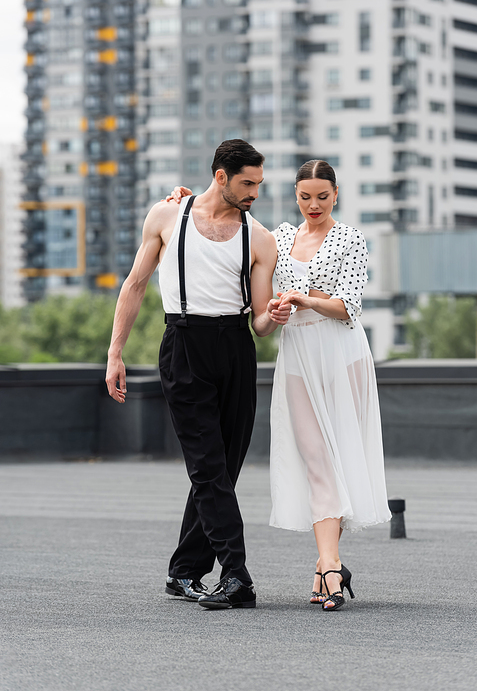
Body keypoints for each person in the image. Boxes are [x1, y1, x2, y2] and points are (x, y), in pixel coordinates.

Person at [105, 139, 290, 610]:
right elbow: (135, 284)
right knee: (208, 467)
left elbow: (261, 325)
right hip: (183, 345)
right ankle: (236, 575)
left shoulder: (261, 238)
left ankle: (184, 572)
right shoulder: (167, 216)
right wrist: (115, 353)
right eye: (247, 183)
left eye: (260, 184)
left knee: (222, 468)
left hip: (235, 349)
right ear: (221, 176)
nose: (255, 193)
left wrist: (276, 314)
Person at [270, 159, 391, 611]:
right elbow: (232, 224)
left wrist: (306, 299)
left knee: (339, 457)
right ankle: (331, 565)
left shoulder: (351, 238)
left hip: (342, 354)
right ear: (295, 196)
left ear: (336, 194)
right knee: (315, 459)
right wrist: (184, 200)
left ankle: (328, 565)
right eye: (305, 196)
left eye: (322, 196)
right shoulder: (280, 237)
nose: (313, 205)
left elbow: (349, 308)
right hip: (299, 354)